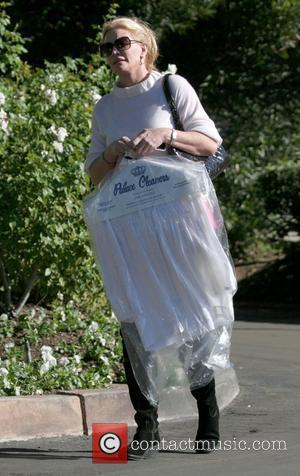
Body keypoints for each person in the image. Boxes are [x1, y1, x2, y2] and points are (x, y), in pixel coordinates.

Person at [84, 16, 234, 460]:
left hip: (179, 220)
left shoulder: (172, 87)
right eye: (107, 47)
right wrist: (110, 152)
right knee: (135, 318)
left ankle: (207, 416)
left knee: (193, 315)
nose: (114, 52)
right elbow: (94, 175)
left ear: (144, 48)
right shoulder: (104, 108)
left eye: (122, 43)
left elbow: (209, 143)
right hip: (130, 227)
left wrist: (165, 133)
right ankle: (146, 427)